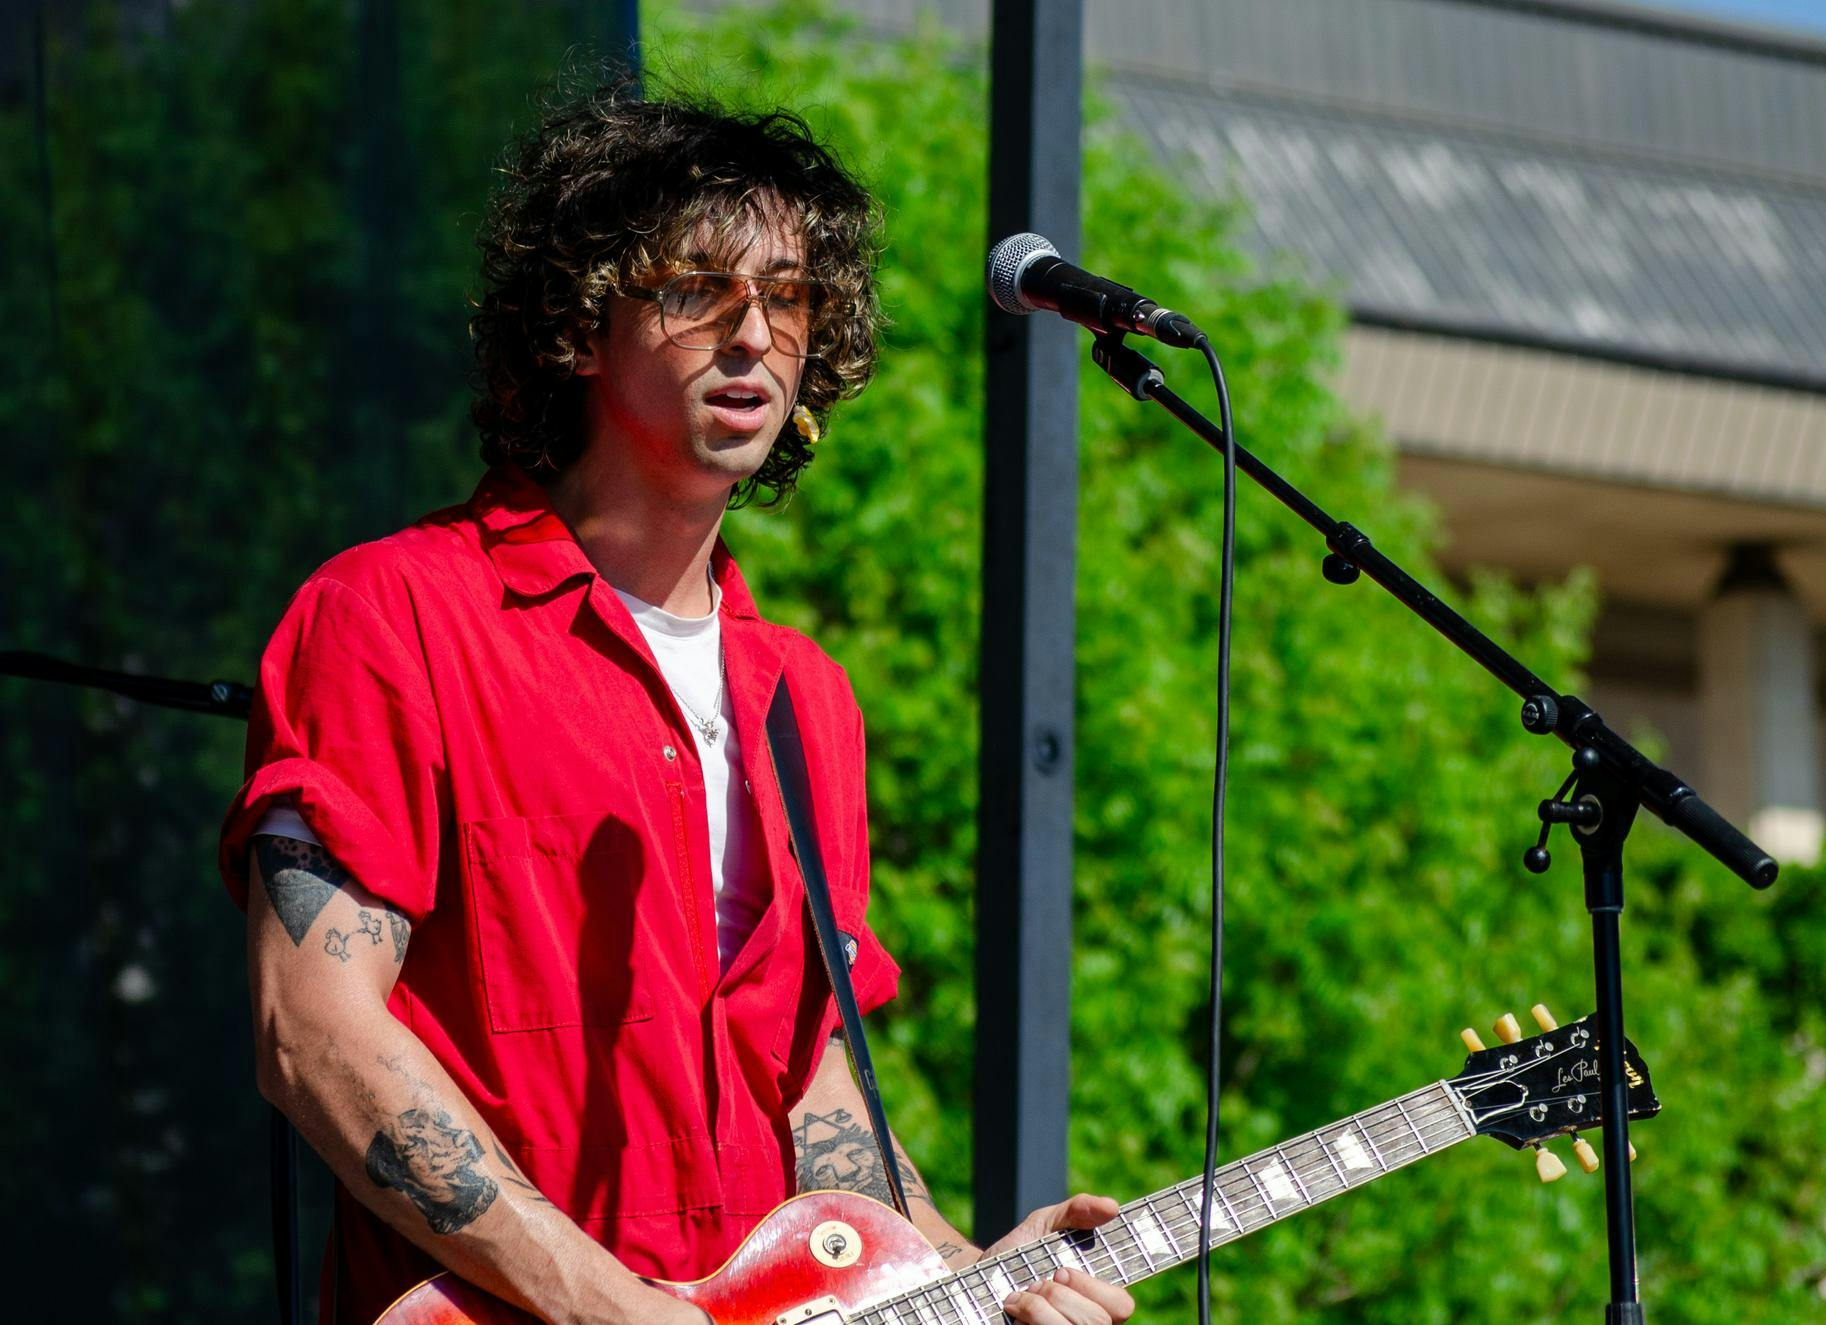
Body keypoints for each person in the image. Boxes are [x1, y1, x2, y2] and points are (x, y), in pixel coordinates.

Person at [218, 79, 1137, 1325]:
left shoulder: (804, 697)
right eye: (698, 287)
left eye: (792, 295)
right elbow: (310, 1027)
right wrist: (604, 1303)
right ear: (581, 322)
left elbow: (805, 1082)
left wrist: (966, 1273)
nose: (754, 332)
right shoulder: (396, 614)